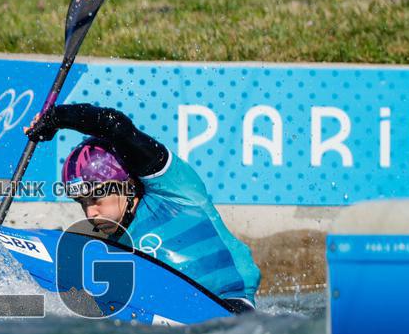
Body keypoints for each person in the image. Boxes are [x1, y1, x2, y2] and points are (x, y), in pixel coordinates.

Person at [26, 103, 260, 311]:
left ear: (126, 185)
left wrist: (59, 117)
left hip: (231, 305)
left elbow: (116, 128)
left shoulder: (175, 189)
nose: (90, 213)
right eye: (82, 202)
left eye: (96, 198)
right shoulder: (109, 246)